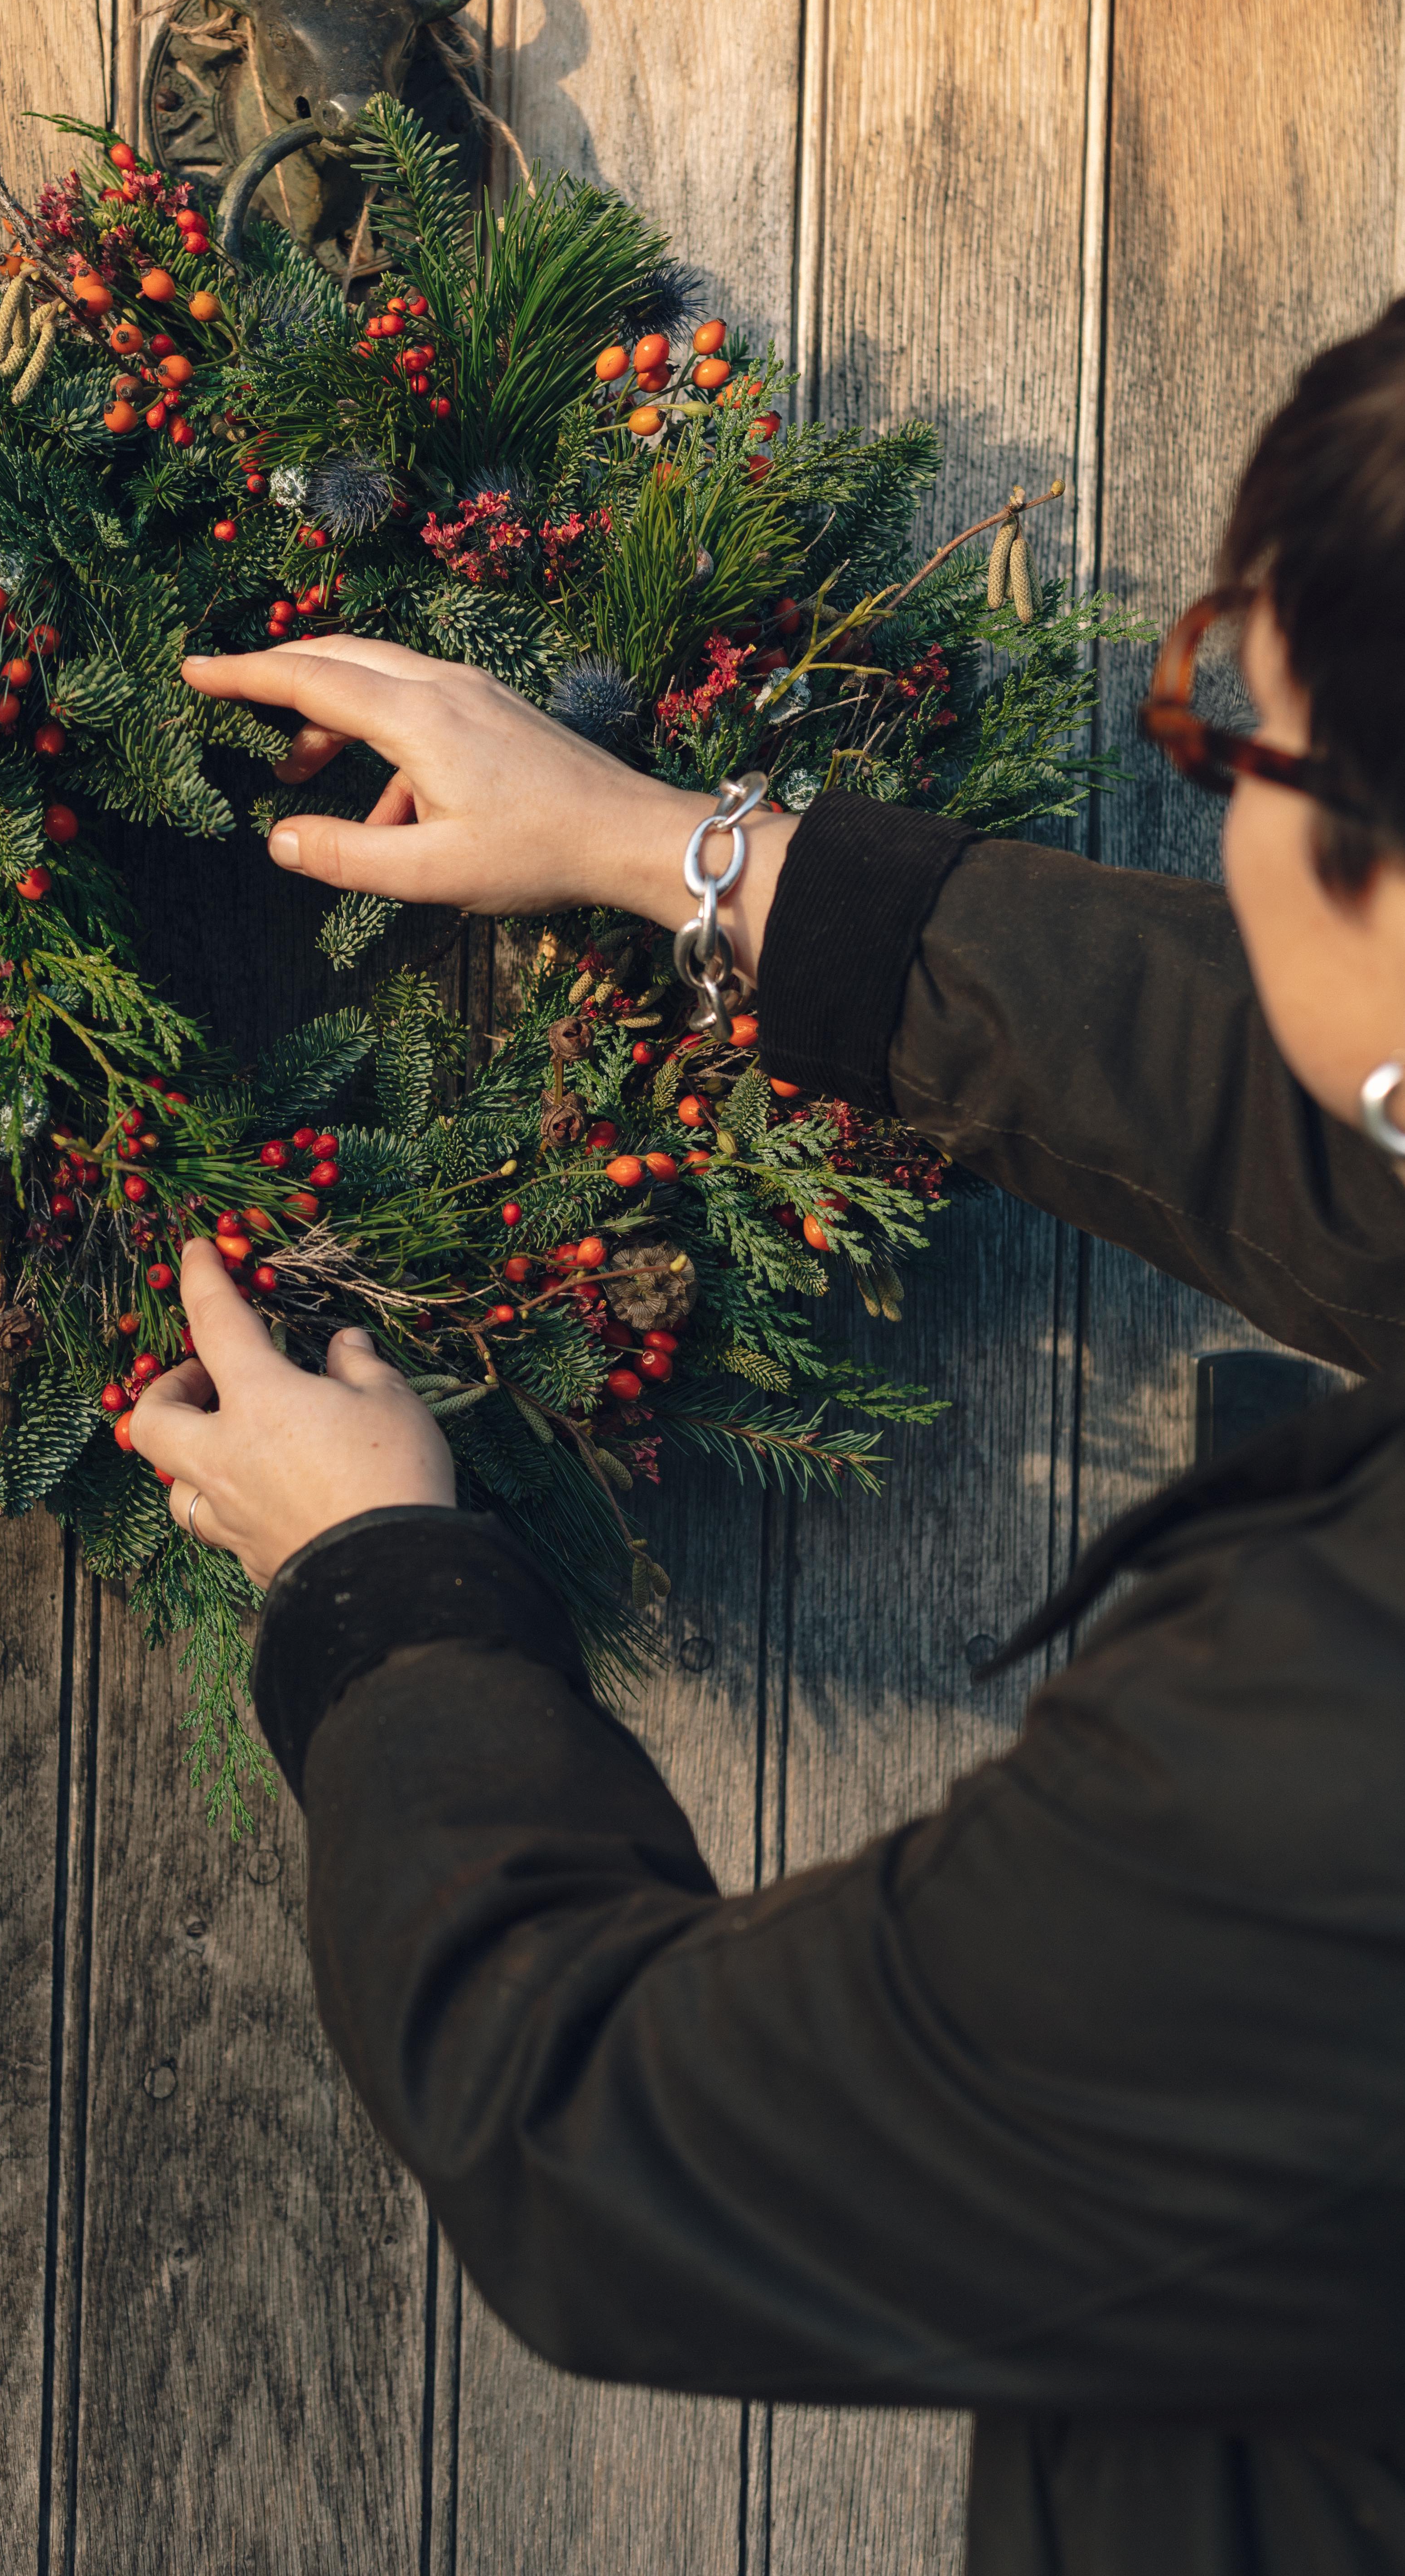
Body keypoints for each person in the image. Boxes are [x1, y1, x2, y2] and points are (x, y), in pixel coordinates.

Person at [132, 309, 1405, 2576]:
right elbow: (1300, 1133)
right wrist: (676, 856)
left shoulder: (1346, 1764)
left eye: (1232, 737)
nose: (1220, 822)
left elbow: (610, 2132)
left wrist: (378, 1594)